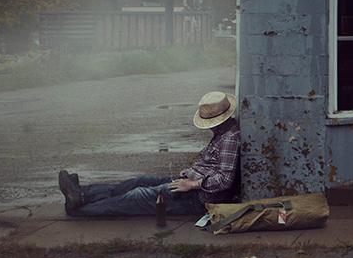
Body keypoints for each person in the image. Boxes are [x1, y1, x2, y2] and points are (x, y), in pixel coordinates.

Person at [57, 91, 241, 217]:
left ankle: (80, 209)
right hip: (189, 185)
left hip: (198, 198)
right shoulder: (223, 132)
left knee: (139, 196)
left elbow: (225, 180)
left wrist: (193, 184)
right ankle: (81, 193)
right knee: (139, 181)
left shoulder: (230, 138)